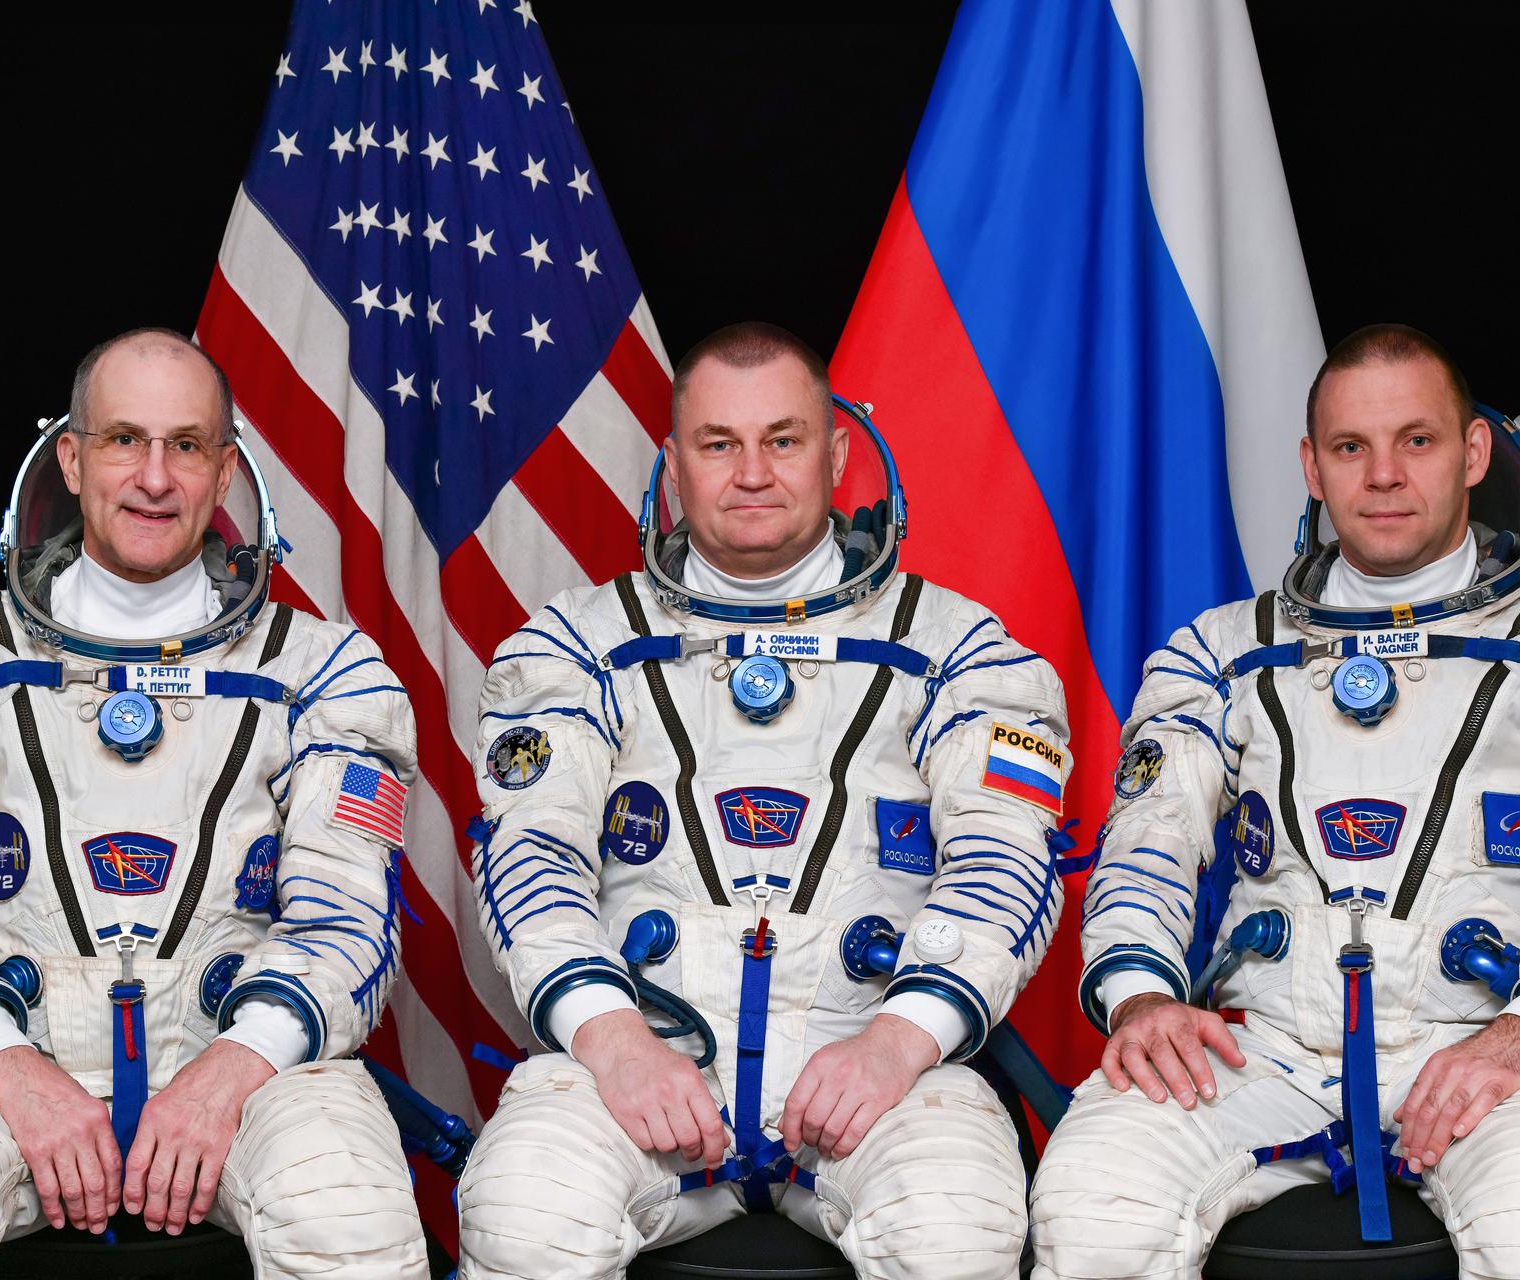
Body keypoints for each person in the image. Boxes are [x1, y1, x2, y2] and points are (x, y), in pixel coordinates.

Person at [1028, 324, 1520, 1280]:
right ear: (1312, 468)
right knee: (1090, 1202)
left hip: (1499, 1047)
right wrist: (1141, 997)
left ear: (1474, 452)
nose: (1384, 475)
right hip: (1267, 1051)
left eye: (1416, 440)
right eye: (1351, 447)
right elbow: (1145, 846)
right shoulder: (1222, 652)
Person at [457, 322, 1073, 1279]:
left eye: (783, 440)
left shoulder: (959, 650)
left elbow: (1007, 862)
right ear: (674, 466)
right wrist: (615, 1043)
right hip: (642, 1060)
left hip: (875, 1059)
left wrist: (899, 1041)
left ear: (837, 456)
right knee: (522, 1218)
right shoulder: (576, 646)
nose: (752, 473)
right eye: (719, 444)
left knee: (956, 1232)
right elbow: (528, 860)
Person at [0, 329, 429, 1278]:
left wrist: (229, 1073)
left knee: (352, 1220)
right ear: (70, 459)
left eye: (186, 445)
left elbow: (346, 919)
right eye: (123, 440)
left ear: (224, 473)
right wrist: (11, 1067)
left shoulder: (325, 671)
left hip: (248, 1065)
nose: (153, 476)